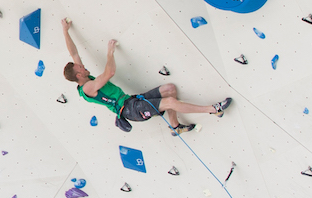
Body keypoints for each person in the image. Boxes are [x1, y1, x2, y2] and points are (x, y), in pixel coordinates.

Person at [60, 17, 230, 133]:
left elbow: (73, 53)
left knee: (169, 89)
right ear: (79, 76)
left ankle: (175, 126)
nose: (82, 66)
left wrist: (65, 31)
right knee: (170, 102)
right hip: (130, 110)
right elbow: (110, 72)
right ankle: (213, 109)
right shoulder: (88, 87)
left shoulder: (83, 78)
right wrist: (110, 53)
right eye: (80, 68)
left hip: (131, 101)